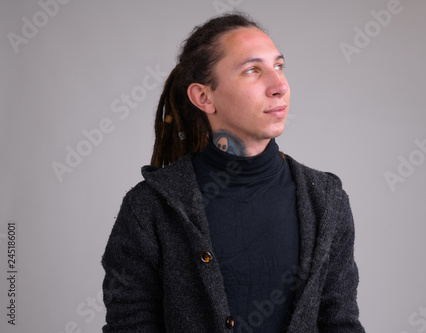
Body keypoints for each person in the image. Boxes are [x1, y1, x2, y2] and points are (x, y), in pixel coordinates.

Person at [101, 13, 365, 333]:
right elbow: (130, 325)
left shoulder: (326, 200)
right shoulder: (150, 206)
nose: (279, 86)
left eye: (278, 66)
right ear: (204, 97)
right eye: (253, 70)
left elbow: (340, 323)